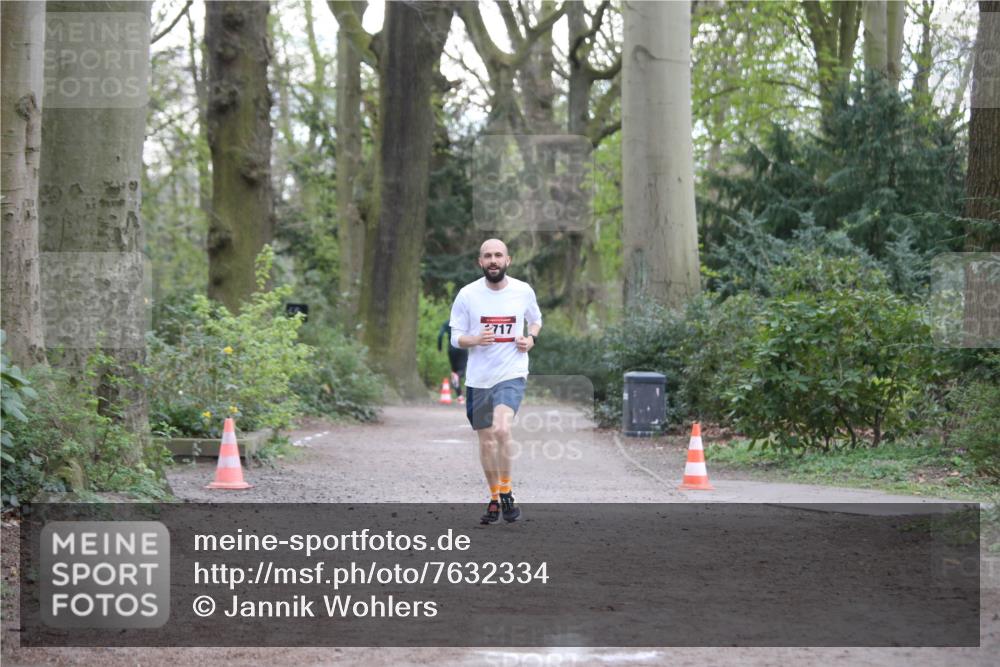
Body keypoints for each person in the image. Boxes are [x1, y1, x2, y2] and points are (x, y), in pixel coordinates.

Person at [449, 239, 542, 524]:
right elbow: (456, 337)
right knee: (486, 441)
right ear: (480, 262)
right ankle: (493, 497)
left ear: (507, 260)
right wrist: (475, 339)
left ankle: (507, 491)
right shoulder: (467, 295)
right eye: (488, 256)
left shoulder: (522, 291)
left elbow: (536, 320)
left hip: (511, 372)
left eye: (498, 255)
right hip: (479, 378)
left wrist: (531, 339)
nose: (493, 260)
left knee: (502, 429)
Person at [437, 320, 468, 403]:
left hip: (451, 349)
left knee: (454, 373)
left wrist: (439, 348)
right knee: (461, 371)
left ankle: (460, 397)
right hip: (462, 347)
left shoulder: (447, 323)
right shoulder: (464, 322)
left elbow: (440, 335)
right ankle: (458, 376)